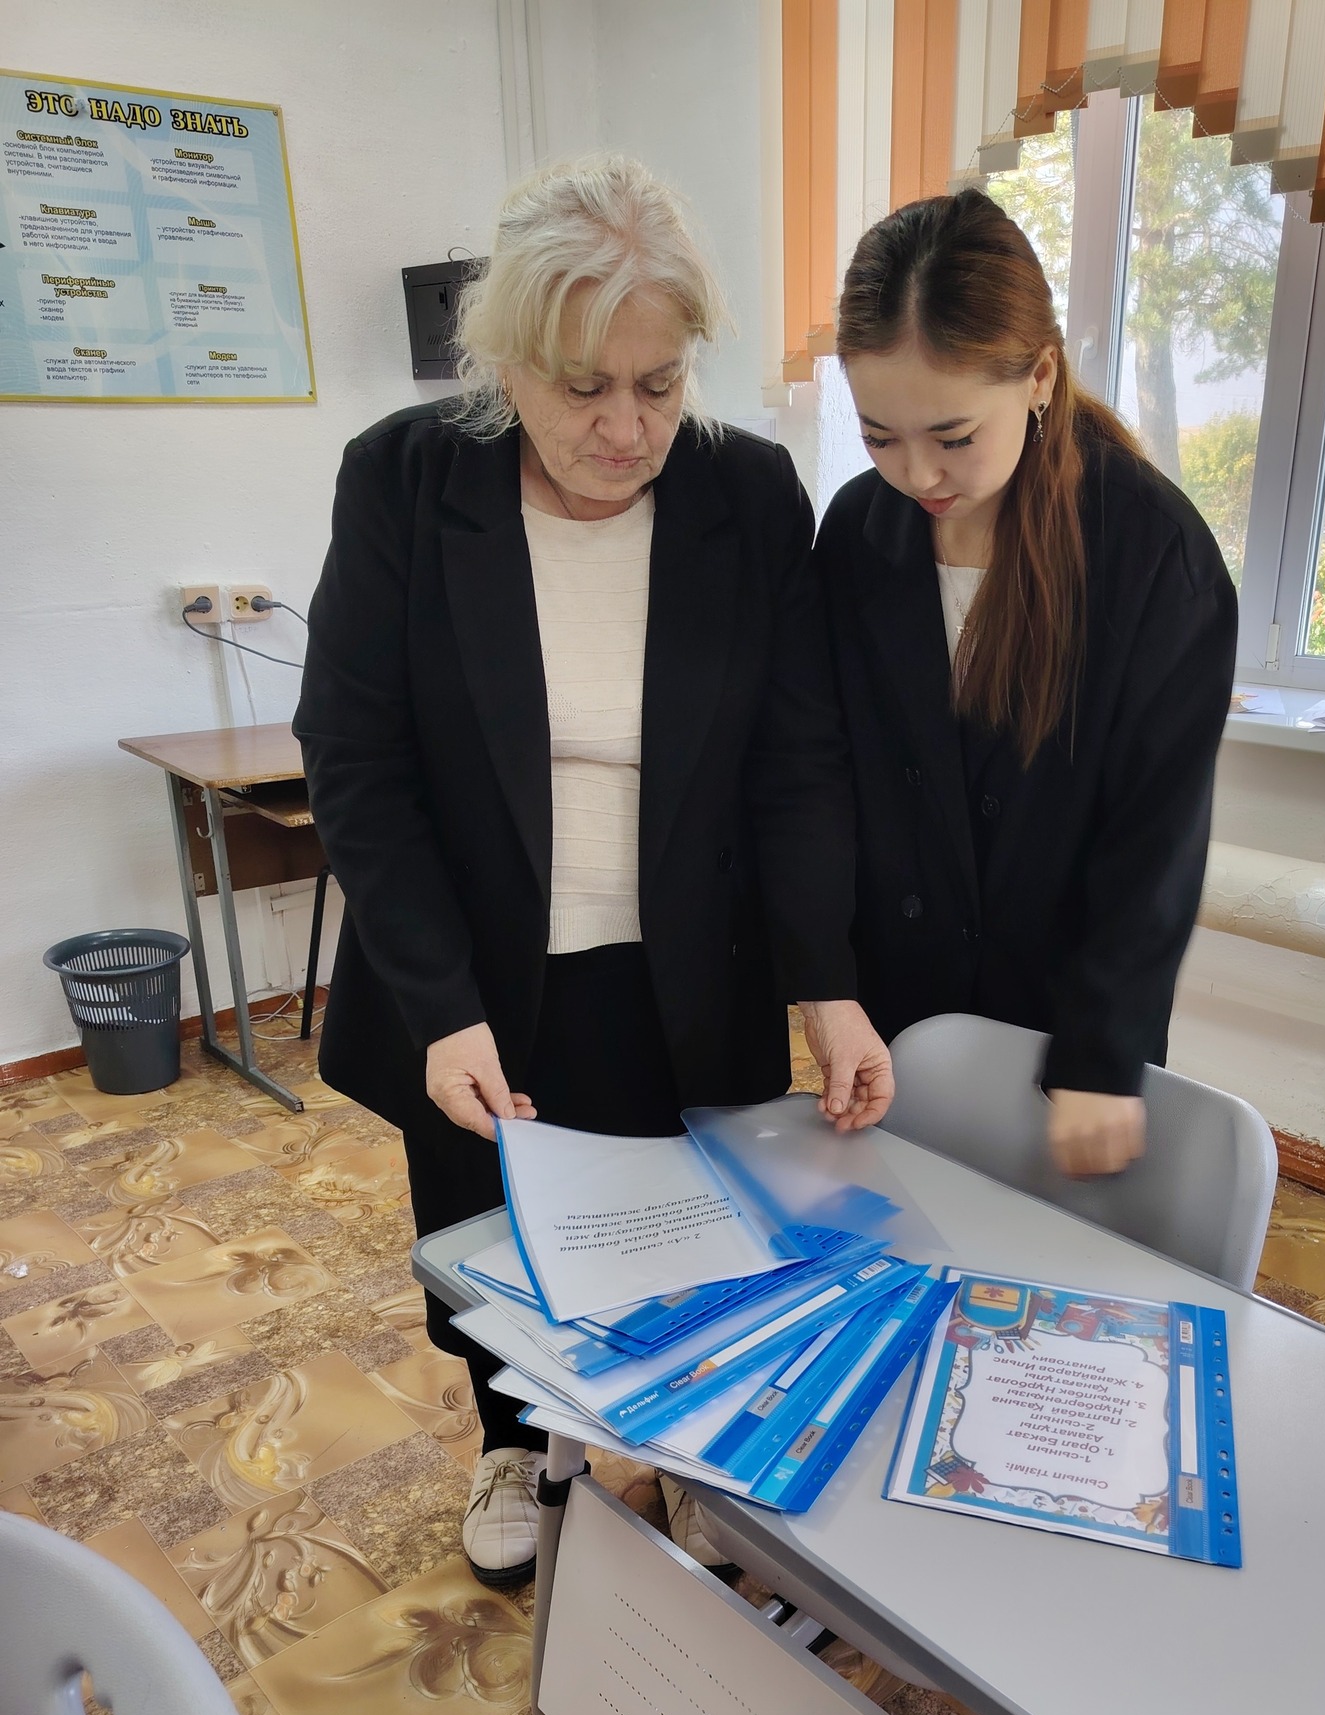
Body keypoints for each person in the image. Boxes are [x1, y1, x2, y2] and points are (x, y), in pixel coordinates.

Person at [296, 158, 891, 1590]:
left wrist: (826, 983)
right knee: (491, 1233)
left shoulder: (745, 491)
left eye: (659, 384)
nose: (626, 430)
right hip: (476, 971)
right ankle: (512, 1437)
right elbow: (357, 755)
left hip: (685, 961)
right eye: (583, 389)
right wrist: (438, 1001)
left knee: (693, 1240)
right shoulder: (405, 478)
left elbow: (796, 760)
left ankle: (679, 1441)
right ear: (505, 363)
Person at [815, 189, 1236, 1180]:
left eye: (954, 436)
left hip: (1068, 1028)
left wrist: (1100, 1055)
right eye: (879, 435)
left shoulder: (1152, 554)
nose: (918, 474)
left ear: (1039, 375)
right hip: (900, 1020)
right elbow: (823, 773)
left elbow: (1157, 838)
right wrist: (826, 983)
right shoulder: (857, 535)